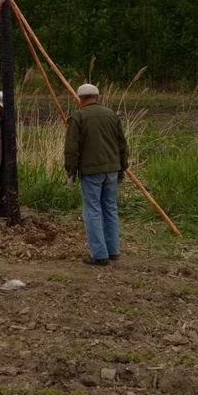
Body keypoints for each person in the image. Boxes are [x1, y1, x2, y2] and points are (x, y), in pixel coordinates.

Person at [64, 84, 128, 266]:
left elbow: (72, 148)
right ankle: (113, 250)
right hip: (112, 170)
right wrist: (122, 167)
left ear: (80, 98)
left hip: (92, 171)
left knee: (92, 211)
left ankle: (99, 255)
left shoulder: (78, 116)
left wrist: (71, 171)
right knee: (110, 209)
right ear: (97, 97)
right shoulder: (111, 115)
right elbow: (122, 144)